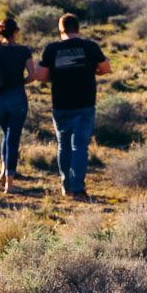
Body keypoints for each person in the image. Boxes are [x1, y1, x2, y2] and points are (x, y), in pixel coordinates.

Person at [37, 13, 111, 200]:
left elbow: (41, 75)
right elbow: (106, 69)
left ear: (61, 29)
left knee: (64, 146)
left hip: (61, 104)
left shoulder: (52, 49)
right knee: (80, 146)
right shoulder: (90, 47)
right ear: (78, 28)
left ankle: (66, 187)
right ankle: (78, 189)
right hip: (85, 102)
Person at [0, 17, 35, 194]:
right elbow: (32, 75)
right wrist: (20, 82)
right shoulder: (24, 50)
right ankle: (9, 183)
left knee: (6, 134)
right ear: (15, 32)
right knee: (13, 137)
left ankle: (4, 171)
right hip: (17, 96)